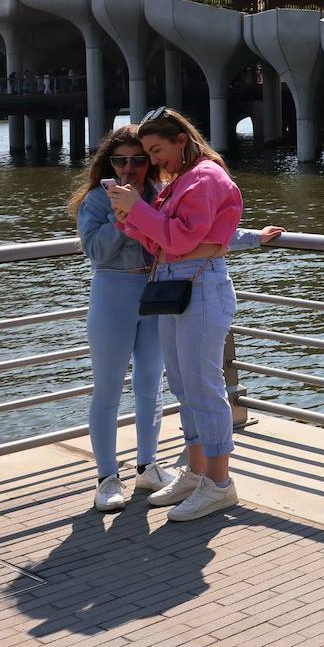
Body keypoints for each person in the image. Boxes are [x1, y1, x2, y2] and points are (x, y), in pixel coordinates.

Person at [70, 124, 283, 512]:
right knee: (108, 389)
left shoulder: (159, 193)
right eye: (122, 160)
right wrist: (123, 215)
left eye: (141, 158)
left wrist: (253, 237)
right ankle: (106, 477)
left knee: (153, 386)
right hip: (113, 293)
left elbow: (192, 234)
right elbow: (98, 253)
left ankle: (148, 466)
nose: (132, 167)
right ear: (109, 163)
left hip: (157, 293)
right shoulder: (97, 201)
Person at [107, 107, 252, 522]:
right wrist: (128, 216)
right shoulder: (182, 182)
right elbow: (163, 243)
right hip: (179, 283)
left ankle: (219, 483)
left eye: (156, 151)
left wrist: (138, 209)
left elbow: (180, 237)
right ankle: (197, 470)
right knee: (184, 384)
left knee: (203, 386)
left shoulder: (205, 178)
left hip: (200, 286)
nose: (154, 162)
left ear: (180, 141)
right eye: (148, 154)